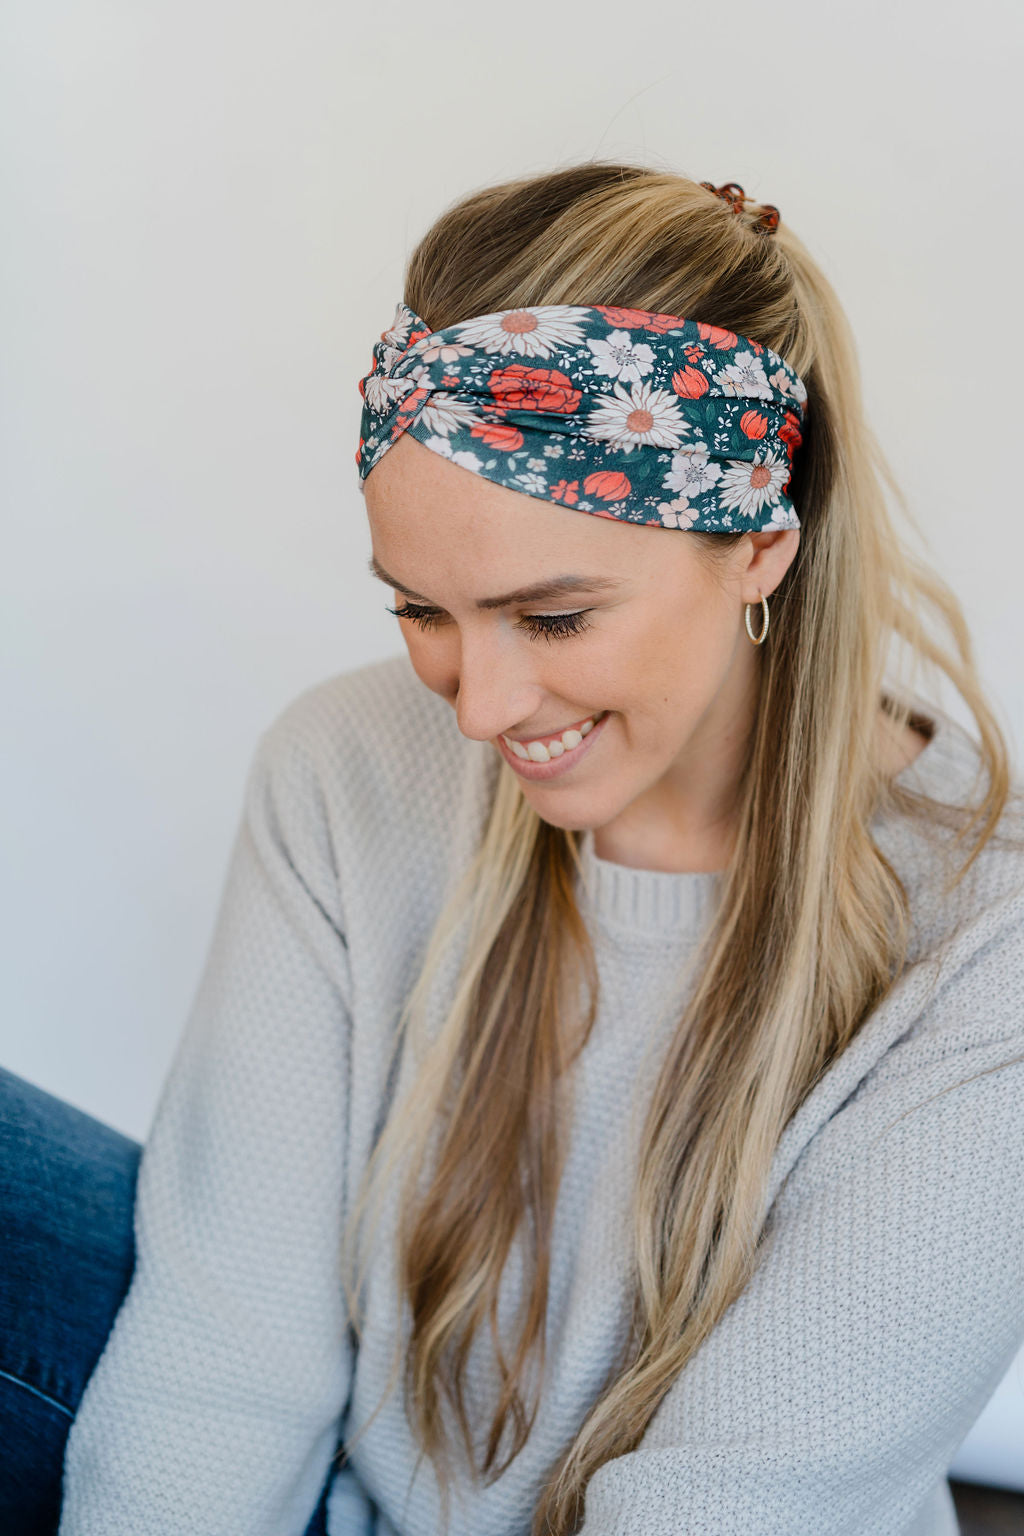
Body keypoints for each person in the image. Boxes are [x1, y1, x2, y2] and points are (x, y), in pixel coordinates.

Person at [5, 161, 1023, 1536]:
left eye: (552, 618)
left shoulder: (987, 927)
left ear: (760, 551)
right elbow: (226, 1348)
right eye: (420, 610)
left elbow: (730, 1506)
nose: (479, 709)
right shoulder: (345, 767)